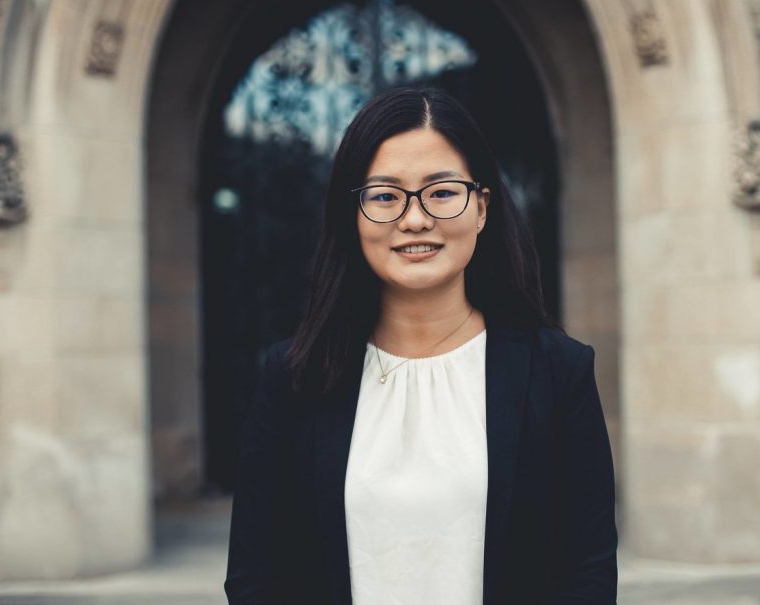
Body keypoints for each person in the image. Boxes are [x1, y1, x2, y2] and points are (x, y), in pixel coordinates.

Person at [224, 87, 617, 604]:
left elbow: (586, 572)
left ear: (481, 207)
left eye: (442, 191)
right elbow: (255, 577)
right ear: (354, 215)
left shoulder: (558, 372)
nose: (415, 219)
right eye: (385, 195)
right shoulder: (294, 376)